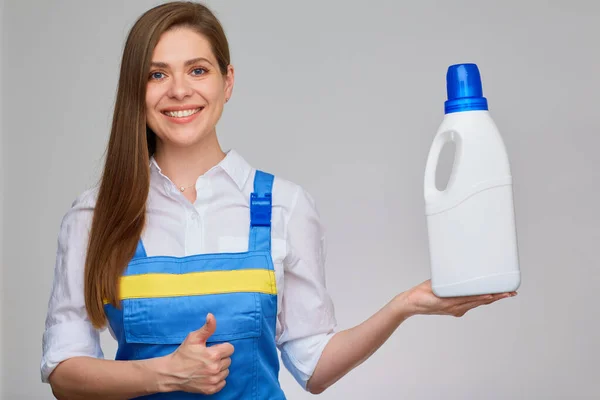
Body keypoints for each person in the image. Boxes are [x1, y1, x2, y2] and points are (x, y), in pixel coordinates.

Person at [40, 2, 517, 399]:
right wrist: (164, 373)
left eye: (197, 70)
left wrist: (403, 306)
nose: (179, 90)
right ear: (135, 91)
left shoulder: (283, 206)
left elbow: (314, 367)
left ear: (227, 82)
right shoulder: (94, 216)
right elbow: (63, 371)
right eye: (157, 74)